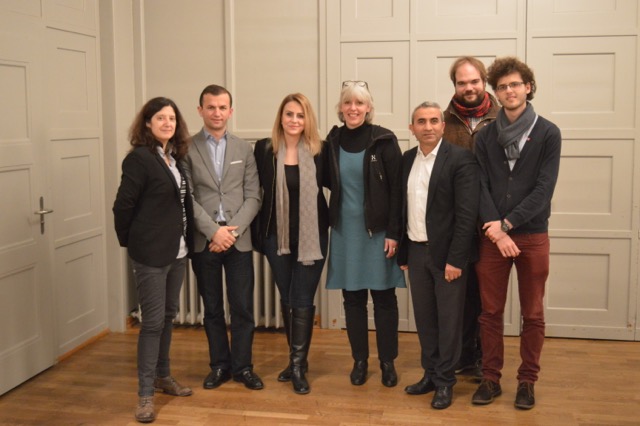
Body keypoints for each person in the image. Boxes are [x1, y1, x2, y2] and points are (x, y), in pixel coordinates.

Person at [471, 57, 561, 410]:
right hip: (493, 238)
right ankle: (490, 379)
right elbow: (480, 185)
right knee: (490, 312)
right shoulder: (486, 136)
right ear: (496, 92)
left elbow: (544, 189)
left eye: (515, 85)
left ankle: (527, 382)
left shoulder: (548, 132)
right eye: (502, 86)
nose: (509, 91)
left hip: (532, 235)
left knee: (533, 314)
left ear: (528, 87)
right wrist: (497, 230)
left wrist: (507, 225)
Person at [113, 97, 194, 423]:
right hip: (150, 254)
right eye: (160, 118)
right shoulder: (139, 159)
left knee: (169, 316)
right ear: (147, 123)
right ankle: (145, 395)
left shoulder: (174, 158)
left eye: (171, 118)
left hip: (177, 252)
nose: (167, 123)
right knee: (152, 323)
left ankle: (163, 377)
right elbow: (122, 207)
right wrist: (132, 244)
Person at [397, 102, 479, 409]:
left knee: (449, 322)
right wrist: (404, 250)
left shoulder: (460, 160)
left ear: (443, 126)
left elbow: (466, 215)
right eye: (421, 121)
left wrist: (456, 260)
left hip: (448, 257)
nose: (428, 126)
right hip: (417, 253)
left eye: (434, 121)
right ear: (412, 128)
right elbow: (401, 208)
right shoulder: (407, 160)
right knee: (426, 320)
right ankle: (430, 374)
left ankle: (446, 381)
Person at [325, 80, 406, 388]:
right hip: (346, 231)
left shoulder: (383, 140)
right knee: (353, 299)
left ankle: (388, 362)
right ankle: (360, 360)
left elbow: (398, 190)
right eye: (348, 103)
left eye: (359, 103)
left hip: (380, 231)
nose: (353, 108)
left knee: (384, 298)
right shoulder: (332, 140)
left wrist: (395, 233)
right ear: (341, 107)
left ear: (369, 108)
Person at [182, 84, 263, 391]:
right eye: (211, 107)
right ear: (200, 110)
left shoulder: (245, 149)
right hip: (206, 241)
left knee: (242, 308)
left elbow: (254, 196)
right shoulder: (185, 148)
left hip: (237, 241)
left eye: (222, 107)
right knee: (212, 308)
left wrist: (230, 233)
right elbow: (187, 197)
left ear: (231, 111)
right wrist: (213, 231)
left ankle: (243, 367)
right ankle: (219, 366)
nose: (217, 112)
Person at [252, 93, 329, 394]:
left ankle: (297, 366)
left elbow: (340, 185)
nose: (294, 120)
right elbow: (253, 190)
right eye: (289, 114)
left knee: (301, 297)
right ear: (280, 117)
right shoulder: (264, 149)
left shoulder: (321, 150)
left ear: (307, 119)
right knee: (287, 296)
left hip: (313, 235)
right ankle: (297, 360)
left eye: (300, 115)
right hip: (277, 237)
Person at [443, 56, 501, 380]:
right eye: (461, 82)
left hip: (492, 223)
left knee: (487, 298)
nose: (468, 88)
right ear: (455, 85)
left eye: (474, 81)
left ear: (484, 82)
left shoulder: (502, 119)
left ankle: (483, 358)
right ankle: (462, 355)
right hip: (458, 224)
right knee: (461, 296)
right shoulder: (442, 121)